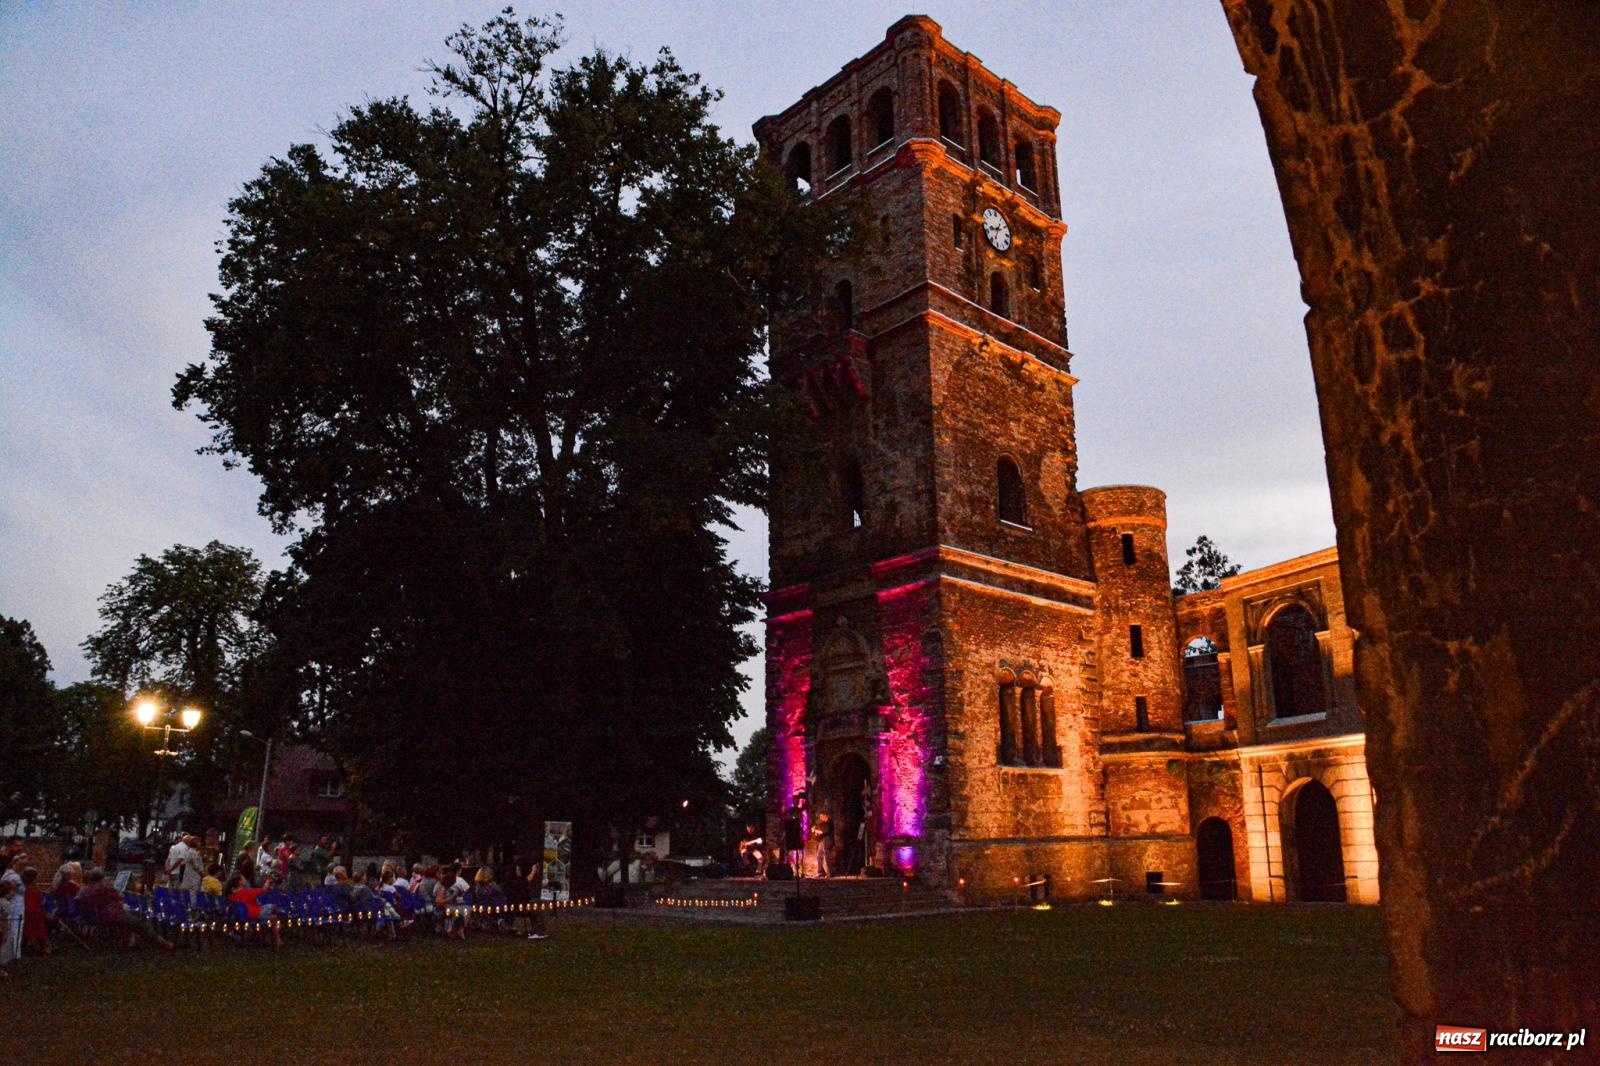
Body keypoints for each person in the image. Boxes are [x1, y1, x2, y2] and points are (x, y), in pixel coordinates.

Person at [76, 868, 173, 952]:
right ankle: (162, 943)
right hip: (111, 915)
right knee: (140, 924)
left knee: (133, 915)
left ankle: (130, 942)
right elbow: (120, 896)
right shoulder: (103, 890)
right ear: (101, 879)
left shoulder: (85, 891)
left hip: (97, 916)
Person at [226, 873, 281, 948]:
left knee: (272, 911)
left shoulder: (232, 895)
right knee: (274, 913)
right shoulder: (247, 892)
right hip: (253, 913)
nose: (245, 880)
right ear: (240, 882)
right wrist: (268, 881)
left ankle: (262, 935)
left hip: (242, 915)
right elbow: (263, 890)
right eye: (243, 879)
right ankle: (277, 939)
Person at [20, 868, 47, 955]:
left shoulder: (27, 889)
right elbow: (31, 907)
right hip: (33, 916)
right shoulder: (31, 891)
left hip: (31, 914)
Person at [810, 813, 834, 879]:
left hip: (827, 840)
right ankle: (821, 872)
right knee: (819, 856)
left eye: (821, 816)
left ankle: (830, 873)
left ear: (825, 816)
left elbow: (824, 832)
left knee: (827, 857)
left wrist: (816, 831)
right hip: (822, 841)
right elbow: (820, 832)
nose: (820, 818)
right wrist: (816, 832)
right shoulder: (823, 823)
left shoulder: (829, 822)